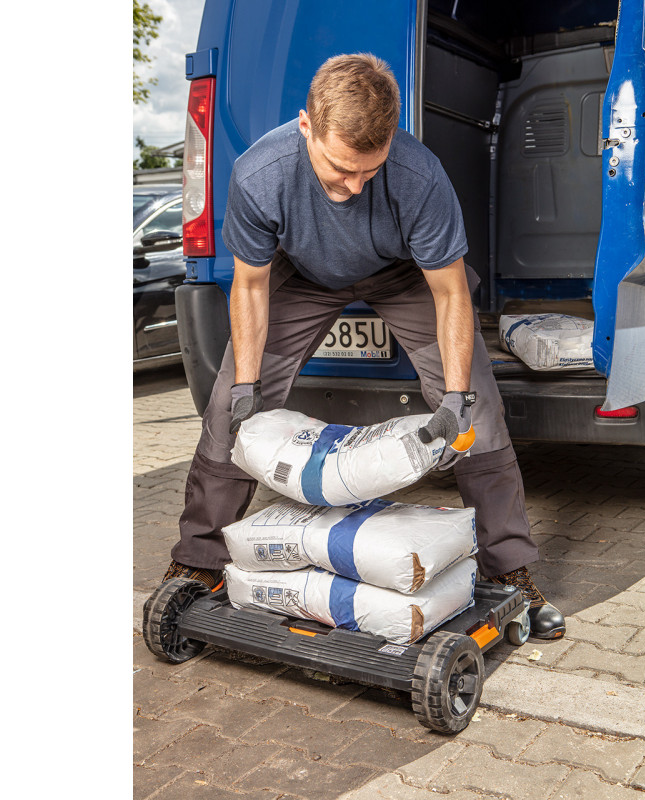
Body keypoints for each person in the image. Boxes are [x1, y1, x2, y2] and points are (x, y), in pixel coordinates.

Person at [162, 53, 565, 639]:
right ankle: (199, 559)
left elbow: (450, 293)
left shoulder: (419, 176)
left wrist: (456, 398)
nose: (353, 187)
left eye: (368, 172)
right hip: (301, 275)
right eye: (339, 169)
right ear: (306, 126)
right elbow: (249, 286)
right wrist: (248, 384)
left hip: (401, 274)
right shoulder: (260, 174)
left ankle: (509, 571)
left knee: (478, 410)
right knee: (229, 405)